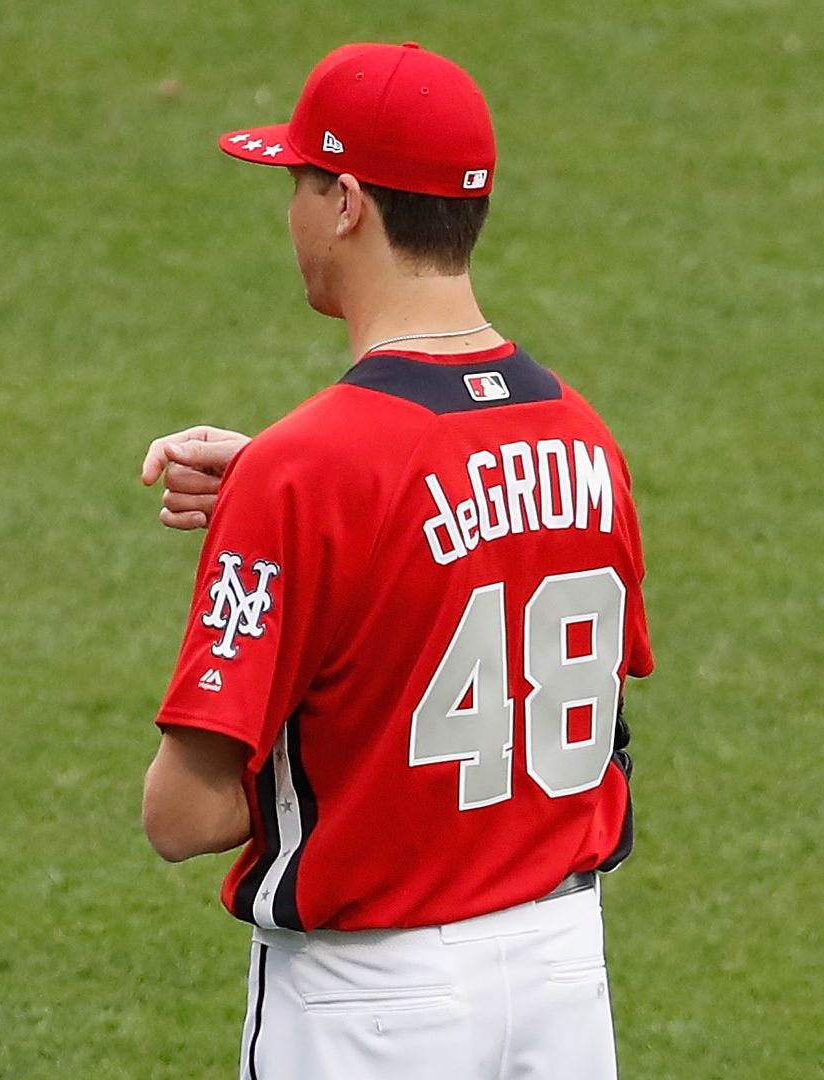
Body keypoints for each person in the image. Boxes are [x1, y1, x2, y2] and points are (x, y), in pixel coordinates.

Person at [137, 42, 653, 1080]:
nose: (290, 210)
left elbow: (182, 816)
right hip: (563, 986)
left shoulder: (307, 474)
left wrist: (287, 513)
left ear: (348, 203)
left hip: (371, 1011)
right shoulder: (586, 439)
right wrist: (288, 506)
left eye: (296, 181)